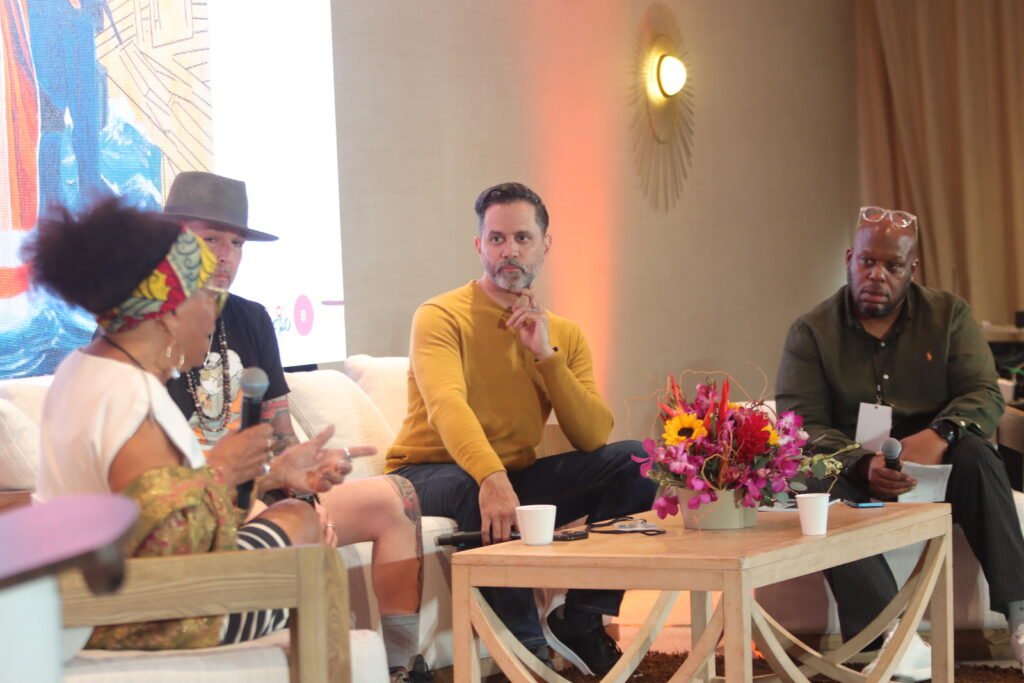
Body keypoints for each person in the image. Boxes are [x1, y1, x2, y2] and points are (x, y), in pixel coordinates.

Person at [29, 198, 349, 649]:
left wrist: (272, 474)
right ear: (168, 308)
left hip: (101, 601)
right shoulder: (128, 395)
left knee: (298, 516)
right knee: (303, 528)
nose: (215, 310)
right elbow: (168, 547)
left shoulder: (85, 370)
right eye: (207, 295)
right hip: (146, 617)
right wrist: (223, 470)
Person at [161, 171, 429, 683]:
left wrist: (306, 468)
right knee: (296, 526)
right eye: (211, 239)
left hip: (263, 492)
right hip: (196, 506)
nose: (226, 256)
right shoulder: (142, 328)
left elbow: (279, 432)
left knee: (397, 498)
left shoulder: (252, 319)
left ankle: (399, 666)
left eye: (236, 243)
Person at [386, 181, 658, 677]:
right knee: (476, 488)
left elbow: (592, 435)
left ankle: (583, 617)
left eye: (522, 238)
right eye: (496, 239)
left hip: (510, 473)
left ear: (545, 244)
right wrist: (491, 478)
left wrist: (545, 356)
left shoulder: (562, 335)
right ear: (479, 245)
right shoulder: (440, 316)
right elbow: (448, 405)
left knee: (639, 459)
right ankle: (528, 658)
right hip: (425, 474)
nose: (508, 251)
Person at [776, 205, 1024, 677]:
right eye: (868, 261)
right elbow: (801, 422)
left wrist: (941, 434)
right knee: (813, 476)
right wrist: (859, 461)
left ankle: (1020, 618)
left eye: (893, 266)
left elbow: (983, 393)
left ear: (913, 270)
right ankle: (887, 638)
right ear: (849, 259)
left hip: (936, 466)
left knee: (979, 455)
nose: (877, 275)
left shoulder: (949, 315)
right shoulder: (811, 332)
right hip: (852, 476)